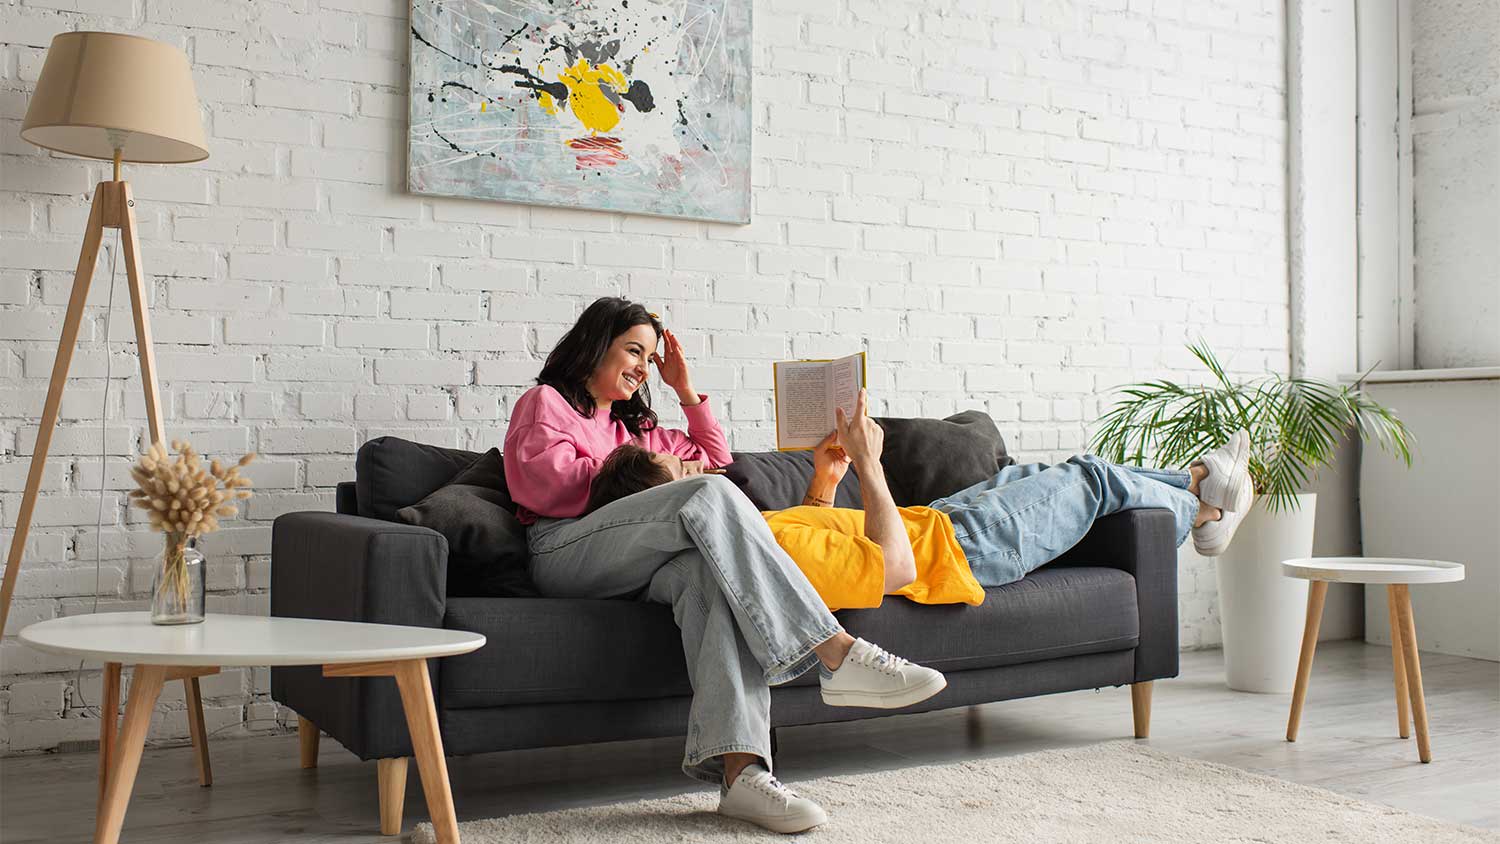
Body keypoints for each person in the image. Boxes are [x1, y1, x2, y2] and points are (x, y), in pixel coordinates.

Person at [502, 297, 947, 835]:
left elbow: (715, 458)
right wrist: (643, 471)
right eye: (633, 351)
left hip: (637, 558)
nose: (643, 366)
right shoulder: (546, 402)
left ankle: (743, 776)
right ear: (596, 345)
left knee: (705, 579)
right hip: (565, 549)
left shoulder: (630, 427)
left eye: (650, 357)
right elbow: (541, 484)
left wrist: (684, 391)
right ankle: (834, 652)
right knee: (706, 496)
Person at [585, 388, 1256, 610]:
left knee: (1068, 468)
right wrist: (870, 470)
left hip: (943, 522)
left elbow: (815, 536)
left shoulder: (739, 526)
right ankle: (1201, 500)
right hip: (961, 551)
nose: (692, 466)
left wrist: (824, 477)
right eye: (677, 469)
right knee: (1091, 482)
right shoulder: (723, 532)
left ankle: (1202, 496)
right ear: (664, 499)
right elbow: (888, 566)